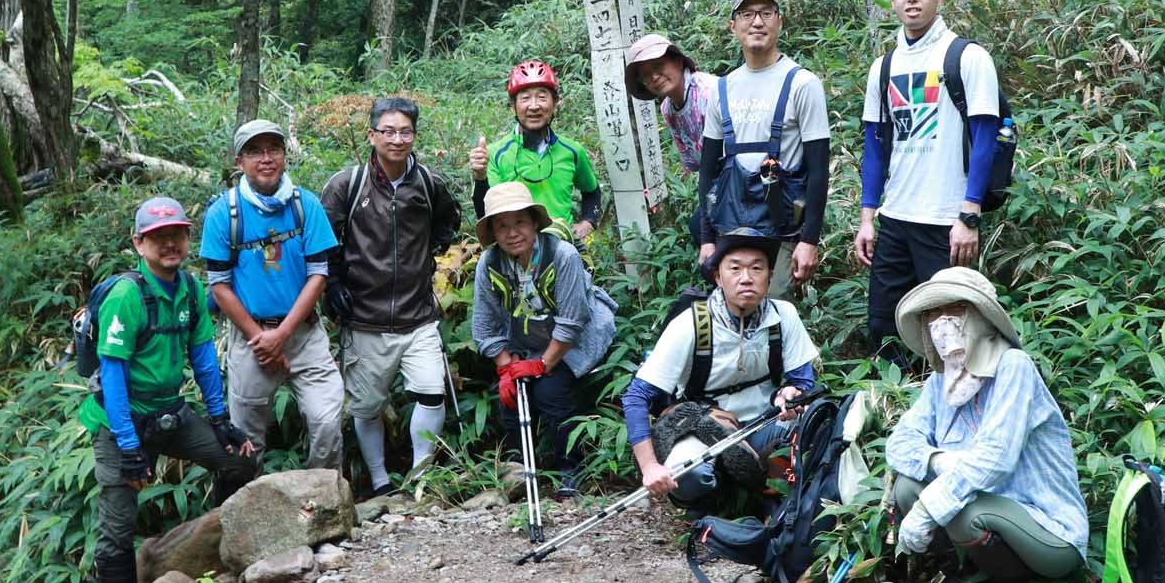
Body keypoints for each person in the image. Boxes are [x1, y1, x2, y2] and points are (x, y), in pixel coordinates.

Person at [81, 196, 256, 583]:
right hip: (119, 419)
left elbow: (202, 358)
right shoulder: (127, 295)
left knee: (235, 460)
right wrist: (128, 446)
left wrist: (219, 420)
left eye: (176, 234)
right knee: (118, 528)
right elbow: (114, 374)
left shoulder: (191, 290)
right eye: (158, 237)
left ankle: (219, 554)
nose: (169, 244)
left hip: (168, 412)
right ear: (139, 243)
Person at [883, 267, 1087, 583]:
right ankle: (971, 579)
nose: (943, 323)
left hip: (1047, 527)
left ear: (978, 316)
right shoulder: (938, 383)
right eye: (933, 313)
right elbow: (898, 443)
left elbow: (996, 457)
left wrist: (930, 508)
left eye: (955, 309)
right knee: (908, 486)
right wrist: (937, 461)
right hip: (990, 514)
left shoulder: (1014, 367)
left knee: (964, 509)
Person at [856, 0, 1002, 365]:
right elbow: (875, 145)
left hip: (945, 221)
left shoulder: (967, 57)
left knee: (953, 334)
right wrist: (868, 217)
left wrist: (969, 215)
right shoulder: (883, 67)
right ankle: (895, 414)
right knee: (884, 329)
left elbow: (985, 136)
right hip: (896, 218)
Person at [321, 96, 461, 497]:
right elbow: (321, 242)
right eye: (388, 131)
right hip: (364, 318)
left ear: (414, 135)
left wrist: (425, 261)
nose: (397, 140)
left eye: (405, 132)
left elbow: (447, 223)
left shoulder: (429, 183)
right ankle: (380, 482)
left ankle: (420, 476)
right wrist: (334, 285)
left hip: (418, 316)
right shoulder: (348, 184)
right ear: (372, 134)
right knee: (366, 407)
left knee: (432, 391)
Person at [621, 228, 819, 506]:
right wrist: (650, 467)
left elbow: (804, 382)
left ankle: (769, 499)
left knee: (815, 427)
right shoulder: (691, 324)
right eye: (735, 269)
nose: (746, 278)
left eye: (757, 268)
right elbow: (637, 396)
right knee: (688, 476)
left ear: (770, 276)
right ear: (717, 277)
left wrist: (792, 394)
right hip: (700, 424)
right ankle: (708, 507)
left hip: (764, 422)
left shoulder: (783, 316)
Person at [202, 120, 345, 472]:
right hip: (251, 341)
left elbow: (319, 274)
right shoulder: (224, 212)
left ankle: (323, 501)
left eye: (273, 150)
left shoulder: (305, 205)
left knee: (327, 421)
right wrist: (261, 339)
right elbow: (219, 284)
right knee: (247, 438)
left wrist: (280, 336)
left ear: (284, 156)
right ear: (239, 161)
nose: (266, 159)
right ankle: (251, 513)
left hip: (304, 334)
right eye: (255, 151)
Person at [471, 182, 616, 497]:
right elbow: (484, 321)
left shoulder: (561, 255)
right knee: (511, 397)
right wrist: (506, 367)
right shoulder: (490, 263)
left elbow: (573, 320)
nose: (512, 233)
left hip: (575, 338)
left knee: (551, 392)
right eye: (502, 226)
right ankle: (517, 471)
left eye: (520, 222)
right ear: (493, 232)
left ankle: (570, 469)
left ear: (534, 223)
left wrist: (542, 364)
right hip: (527, 337)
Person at [698, 0, 831, 294]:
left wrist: (809, 240)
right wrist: (707, 238)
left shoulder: (802, 83)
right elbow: (708, 171)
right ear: (733, 26)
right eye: (747, 14)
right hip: (729, 228)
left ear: (779, 21)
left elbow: (819, 169)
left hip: (781, 231)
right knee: (733, 315)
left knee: (776, 314)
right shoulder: (722, 89)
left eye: (765, 13)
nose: (757, 22)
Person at [468, 59, 602, 242]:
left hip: (565, 247)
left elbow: (592, 191)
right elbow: (486, 211)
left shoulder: (572, 151)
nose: (534, 106)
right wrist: (480, 177)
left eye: (542, 97)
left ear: (555, 103)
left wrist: (589, 221)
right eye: (525, 98)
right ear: (513, 106)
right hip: (515, 249)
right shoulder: (495, 154)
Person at [624, 33, 719, 245]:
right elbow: (693, 163)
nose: (654, 77)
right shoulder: (668, 108)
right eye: (645, 75)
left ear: (677, 61)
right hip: (716, 186)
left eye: (658, 66)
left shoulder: (708, 93)